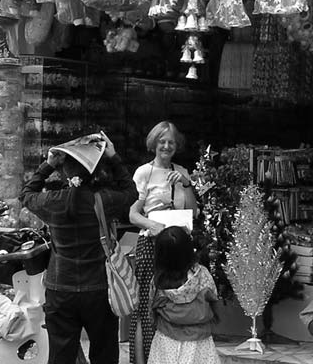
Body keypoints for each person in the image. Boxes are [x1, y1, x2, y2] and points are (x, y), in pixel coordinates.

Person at [20, 130, 137, 364]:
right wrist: (114, 158)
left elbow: (26, 194)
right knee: (104, 354)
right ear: (95, 171)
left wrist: (48, 164)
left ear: (65, 171)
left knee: (61, 356)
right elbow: (131, 192)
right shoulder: (104, 199)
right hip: (98, 290)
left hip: (60, 289)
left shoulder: (52, 201)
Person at [128, 121, 198, 364]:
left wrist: (186, 184)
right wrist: (152, 225)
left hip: (178, 248)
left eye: (171, 142)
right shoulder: (143, 173)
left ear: (176, 146)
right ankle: (142, 359)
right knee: (147, 306)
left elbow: (193, 212)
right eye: (162, 142)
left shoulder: (182, 172)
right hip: (151, 245)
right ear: (154, 144)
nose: (166, 146)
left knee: (173, 302)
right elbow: (132, 213)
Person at [146, 226, 221, 364]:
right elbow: (214, 299)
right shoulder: (202, 275)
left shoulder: (157, 282)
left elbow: (152, 311)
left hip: (166, 341)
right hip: (200, 342)